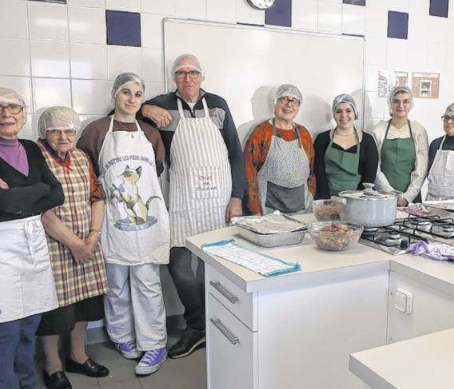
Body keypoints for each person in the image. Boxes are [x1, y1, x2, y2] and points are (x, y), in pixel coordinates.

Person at [139, 54, 246, 358]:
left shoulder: (217, 103)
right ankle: (197, 325)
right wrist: (146, 108)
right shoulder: (162, 103)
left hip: (220, 198)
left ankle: (225, 319)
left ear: (202, 76)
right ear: (174, 78)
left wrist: (237, 196)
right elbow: (123, 111)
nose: (187, 78)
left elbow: (235, 153)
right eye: (181, 73)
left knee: (224, 264)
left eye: (193, 73)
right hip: (183, 197)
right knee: (181, 267)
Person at [77, 73, 170, 375]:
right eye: (126, 92)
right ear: (113, 94)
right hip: (111, 220)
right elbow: (86, 175)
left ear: (143, 99)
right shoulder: (96, 130)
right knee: (115, 284)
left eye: (138, 94)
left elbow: (154, 176)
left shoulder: (150, 134)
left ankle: (154, 343)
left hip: (145, 223)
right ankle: (121, 337)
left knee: (147, 282)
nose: (131, 99)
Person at [0, 87, 64, 389]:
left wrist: (17, 194)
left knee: (30, 324)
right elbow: (1, 202)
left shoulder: (30, 148)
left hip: (32, 241)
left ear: (23, 113)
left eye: (13, 108)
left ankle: (27, 381)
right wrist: (34, 190)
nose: (6, 115)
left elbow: (57, 193)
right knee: (6, 328)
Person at [36, 106, 109, 389]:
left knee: (85, 306)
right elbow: (41, 210)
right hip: (54, 246)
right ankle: (52, 366)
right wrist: (75, 244)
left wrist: (92, 236)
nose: (63, 136)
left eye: (69, 130)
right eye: (55, 131)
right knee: (55, 312)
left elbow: (97, 198)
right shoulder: (36, 159)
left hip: (88, 243)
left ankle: (78, 356)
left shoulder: (81, 157)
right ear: (45, 133)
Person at [244, 84, 316, 214]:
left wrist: (310, 197)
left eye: (294, 101)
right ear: (275, 103)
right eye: (284, 99)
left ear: (299, 107)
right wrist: (256, 211)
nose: (289, 104)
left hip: (302, 210)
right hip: (268, 211)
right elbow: (249, 173)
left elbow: (311, 173)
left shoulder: (304, 134)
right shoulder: (261, 132)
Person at [371, 86, 428, 206]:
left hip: (411, 198)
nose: (401, 105)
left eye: (406, 101)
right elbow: (374, 167)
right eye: (396, 101)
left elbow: (421, 168)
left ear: (411, 104)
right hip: (382, 195)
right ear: (390, 103)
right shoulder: (378, 130)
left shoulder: (418, 130)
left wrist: (407, 197)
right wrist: (390, 193)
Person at [314, 94, 378, 198]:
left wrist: (357, 199)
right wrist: (327, 201)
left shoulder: (367, 140)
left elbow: (369, 176)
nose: (343, 115)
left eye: (348, 111)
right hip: (328, 198)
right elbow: (318, 172)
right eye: (338, 111)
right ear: (334, 114)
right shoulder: (322, 139)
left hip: (359, 199)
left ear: (355, 113)